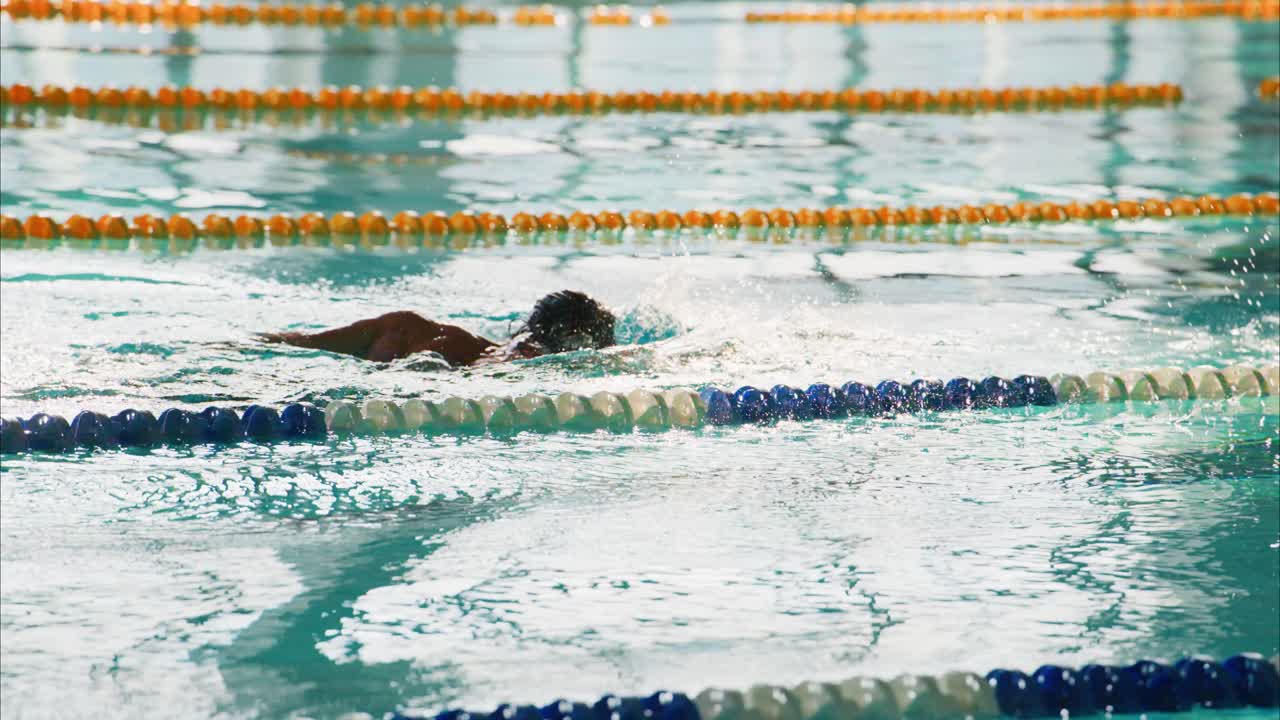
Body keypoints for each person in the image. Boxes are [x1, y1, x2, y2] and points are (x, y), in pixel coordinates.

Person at [259, 290, 616, 367]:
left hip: (402, 327)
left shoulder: (520, 342)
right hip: (428, 361)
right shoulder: (529, 352)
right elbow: (491, 366)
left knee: (298, 344)